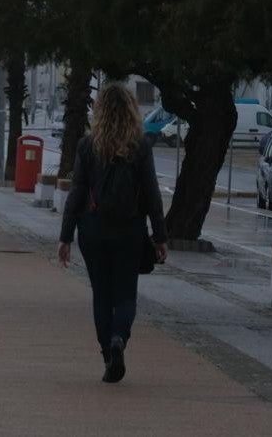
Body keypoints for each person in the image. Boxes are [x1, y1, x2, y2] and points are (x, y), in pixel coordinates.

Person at [58, 84, 167, 384]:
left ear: (100, 112)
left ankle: (108, 352)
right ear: (132, 111)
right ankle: (119, 337)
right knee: (125, 294)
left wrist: (65, 237)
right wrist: (160, 236)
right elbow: (153, 195)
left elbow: (77, 193)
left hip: (92, 229)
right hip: (129, 230)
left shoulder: (87, 146)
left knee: (101, 296)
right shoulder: (141, 146)